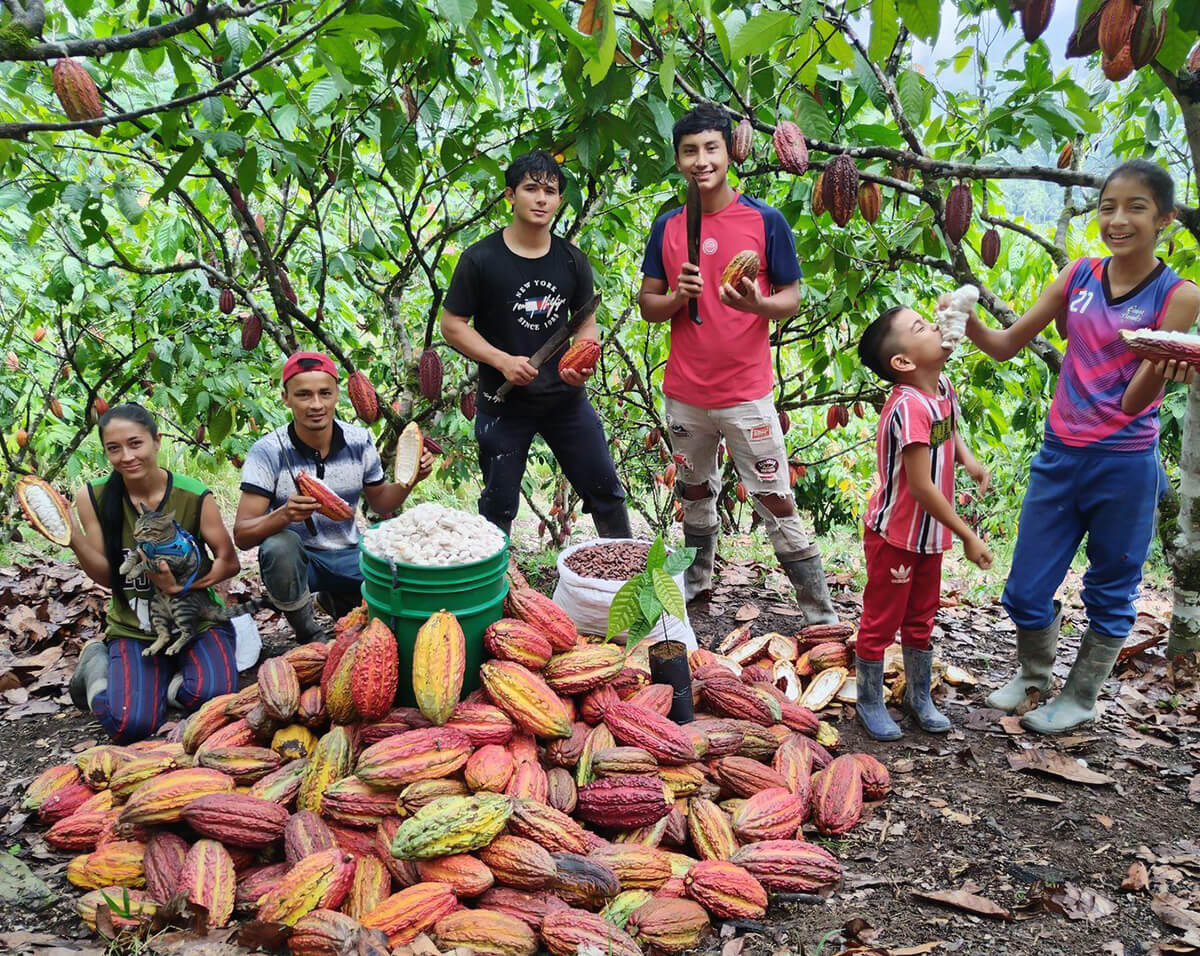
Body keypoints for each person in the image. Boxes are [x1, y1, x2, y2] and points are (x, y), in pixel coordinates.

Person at [966, 159, 1199, 735]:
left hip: (1124, 464)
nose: (1118, 220)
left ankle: (1082, 695)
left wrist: (1161, 367)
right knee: (1024, 586)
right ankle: (1034, 672)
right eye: (1108, 207)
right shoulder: (1078, 277)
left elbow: (1132, 404)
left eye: (1136, 208)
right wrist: (961, 319)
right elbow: (1002, 345)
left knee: (1112, 585)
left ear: (1165, 219)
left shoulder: (1181, 295)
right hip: (1059, 455)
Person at [637, 103, 836, 623]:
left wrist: (759, 306)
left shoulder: (764, 221)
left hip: (747, 395)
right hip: (685, 394)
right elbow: (648, 306)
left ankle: (818, 612)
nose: (701, 160)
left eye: (710, 149)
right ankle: (698, 586)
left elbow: (791, 295)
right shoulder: (668, 226)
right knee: (695, 491)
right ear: (678, 159)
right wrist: (678, 298)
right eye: (689, 151)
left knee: (774, 497)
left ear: (730, 153)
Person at [440, 150, 632, 540]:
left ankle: (631, 582)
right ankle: (497, 592)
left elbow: (585, 323)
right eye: (531, 189)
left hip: (565, 400)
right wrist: (502, 361)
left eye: (550, 190)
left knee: (606, 493)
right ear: (511, 196)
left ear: (560, 200)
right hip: (503, 402)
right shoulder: (480, 260)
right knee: (498, 505)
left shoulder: (572, 261)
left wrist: (583, 360)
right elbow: (451, 325)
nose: (541, 198)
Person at [855, 307, 993, 740]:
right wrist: (969, 535)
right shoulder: (909, 407)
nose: (936, 327)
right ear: (903, 362)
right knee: (881, 619)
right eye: (922, 328)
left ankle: (918, 696)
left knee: (921, 617)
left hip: (928, 537)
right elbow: (921, 487)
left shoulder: (940, 388)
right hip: (896, 535)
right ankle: (869, 700)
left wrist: (967, 460)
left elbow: (949, 430)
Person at [67, 404, 241, 743]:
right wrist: (72, 536)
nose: (126, 456)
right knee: (130, 725)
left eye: (135, 444)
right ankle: (96, 667)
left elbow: (228, 562)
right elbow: (107, 577)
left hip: (197, 620)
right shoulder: (93, 496)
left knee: (214, 701)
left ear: (156, 441)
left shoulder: (192, 495)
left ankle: (165, 681)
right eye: (113, 449)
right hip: (135, 627)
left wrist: (183, 585)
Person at [232, 352, 433, 640]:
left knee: (401, 567)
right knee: (279, 546)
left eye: (325, 393)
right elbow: (242, 534)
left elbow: (380, 502)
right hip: (302, 562)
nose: (316, 404)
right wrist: (284, 515)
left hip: (351, 555)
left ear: (337, 395)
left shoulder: (358, 440)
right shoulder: (268, 451)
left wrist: (410, 480)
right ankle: (308, 632)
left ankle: (337, 598)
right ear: (285, 398)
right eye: (303, 395)